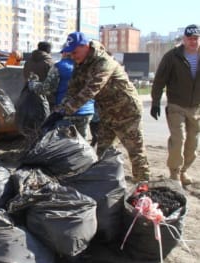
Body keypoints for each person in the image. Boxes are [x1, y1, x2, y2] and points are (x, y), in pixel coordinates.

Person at [50, 31, 150, 183]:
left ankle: (143, 185)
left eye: (75, 52)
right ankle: (105, 184)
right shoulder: (80, 64)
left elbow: (91, 89)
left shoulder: (104, 61)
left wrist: (67, 110)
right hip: (107, 112)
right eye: (70, 53)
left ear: (85, 46)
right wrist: (59, 111)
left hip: (126, 111)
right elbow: (73, 89)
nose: (73, 56)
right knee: (103, 151)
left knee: (135, 150)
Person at [150, 24, 200, 185]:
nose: (193, 42)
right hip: (176, 105)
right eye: (190, 38)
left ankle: (184, 171)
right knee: (178, 140)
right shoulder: (172, 56)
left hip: (196, 107)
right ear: (184, 39)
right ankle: (174, 174)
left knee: (193, 143)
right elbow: (159, 80)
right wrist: (155, 102)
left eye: (196, 38)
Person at [30, 50, 95, 140]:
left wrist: (33, 84)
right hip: (87, 111)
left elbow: (46, 89)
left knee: (66, 143)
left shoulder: (59, 66)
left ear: (64, 53)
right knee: (81, 142)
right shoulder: (88, 66)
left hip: (67, 112)